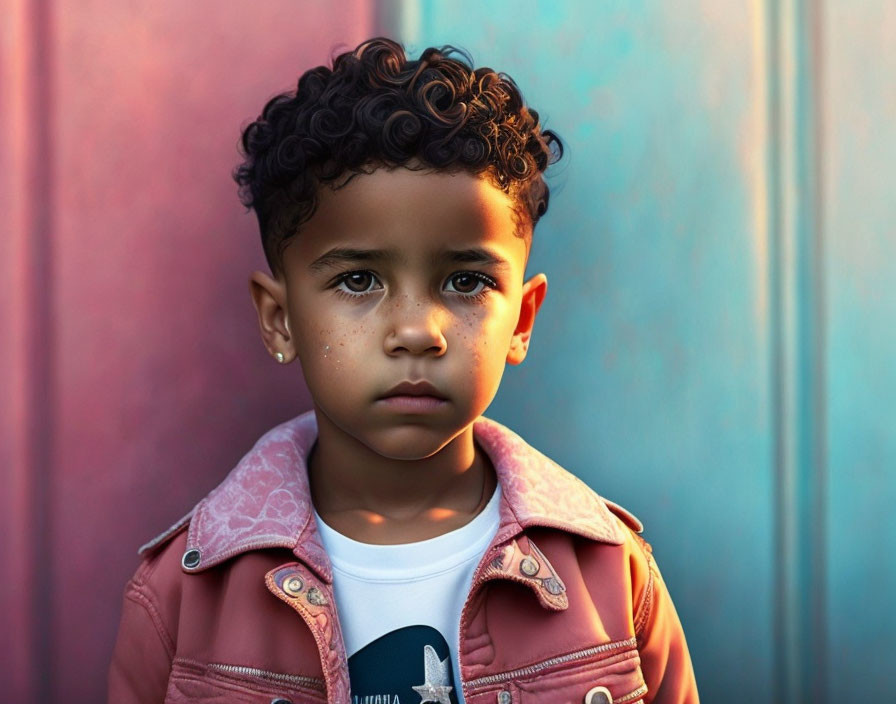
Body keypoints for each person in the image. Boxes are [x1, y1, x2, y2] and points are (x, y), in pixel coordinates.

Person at [108, 36, 699, 704]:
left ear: (523, 320)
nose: (418, 330)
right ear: (279, 318)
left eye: (467, 281)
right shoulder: (183, 598)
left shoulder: (612, 578)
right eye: (359, 279)